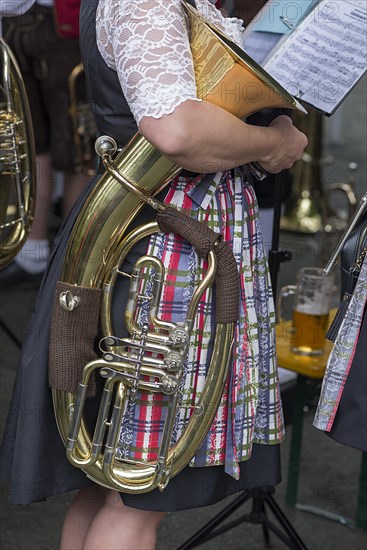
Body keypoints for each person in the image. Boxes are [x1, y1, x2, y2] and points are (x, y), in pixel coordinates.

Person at [0, 1, 308, 549]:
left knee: (110, 486)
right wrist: (273, 144)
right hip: (165, 253)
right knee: (140, 497)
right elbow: (175, 131)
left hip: (169, 237)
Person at [0, 0, 89, 286]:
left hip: (65, 24)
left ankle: (67, 264)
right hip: (14, 21)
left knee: (76, 148)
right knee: (30, 140)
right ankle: (33, 255)